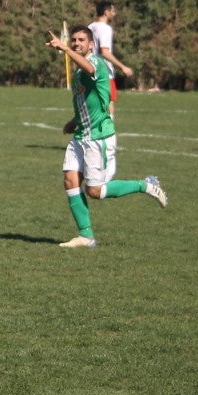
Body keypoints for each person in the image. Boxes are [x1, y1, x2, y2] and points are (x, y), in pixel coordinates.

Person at [45, 25, 168, 249]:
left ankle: (146, 185)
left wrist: (63, 48)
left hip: (98, 137)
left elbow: (90, 69)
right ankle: (86, 236)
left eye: (81, 40)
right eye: (73, 40)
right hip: (81, 135)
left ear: (91, 44)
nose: (76, 43)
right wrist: (75, 121)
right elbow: (89, 101)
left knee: (95, 191)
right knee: (70, 180)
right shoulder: (79, 70)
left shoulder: (97, 63)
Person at [88, 0, 134, 118]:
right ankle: (109, 134)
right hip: (104, 73)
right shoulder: (105, 29)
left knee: (93, 105)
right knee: (109, 104)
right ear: (106, 12)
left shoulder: (90, 27)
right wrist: (123, 67)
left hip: (90, 70)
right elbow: (104, 52)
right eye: (112, 11)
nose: (114, 13)